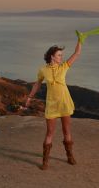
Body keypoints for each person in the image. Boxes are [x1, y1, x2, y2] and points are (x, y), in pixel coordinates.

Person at [24, 36, 82, 170]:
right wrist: (29, 97)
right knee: (50, 132)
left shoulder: (64, 66)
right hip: (52, 105)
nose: (61, 57)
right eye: (59, 55)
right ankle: (45, 161)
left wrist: (80, 40)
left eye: (61, 55)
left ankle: (70, 156)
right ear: (52, 56)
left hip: (64, 103)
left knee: (66, 130)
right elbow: (37, 84)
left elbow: (77, 53)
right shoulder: (43, 70)